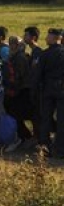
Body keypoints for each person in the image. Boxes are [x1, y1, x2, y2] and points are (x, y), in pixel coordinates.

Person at [32, 28, 64, 158]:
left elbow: (37, 74)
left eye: (48, 36)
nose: (46, 38)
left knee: (45, 119)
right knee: (62, 120)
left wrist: (34, 91)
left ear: (54, 38)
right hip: (61, 89)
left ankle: (45, 148)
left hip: (47, 89)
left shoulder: (44, 54)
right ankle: (61, 149)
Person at [4, 36, 33, 148]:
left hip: (21, 91)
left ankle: (26, 137)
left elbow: (19, 76)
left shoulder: (20, 57)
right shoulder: (14, 56)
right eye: (10, 43)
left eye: (13, 43)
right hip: (17, 90)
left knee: (18, 114)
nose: (10, 46)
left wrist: (12, 87)